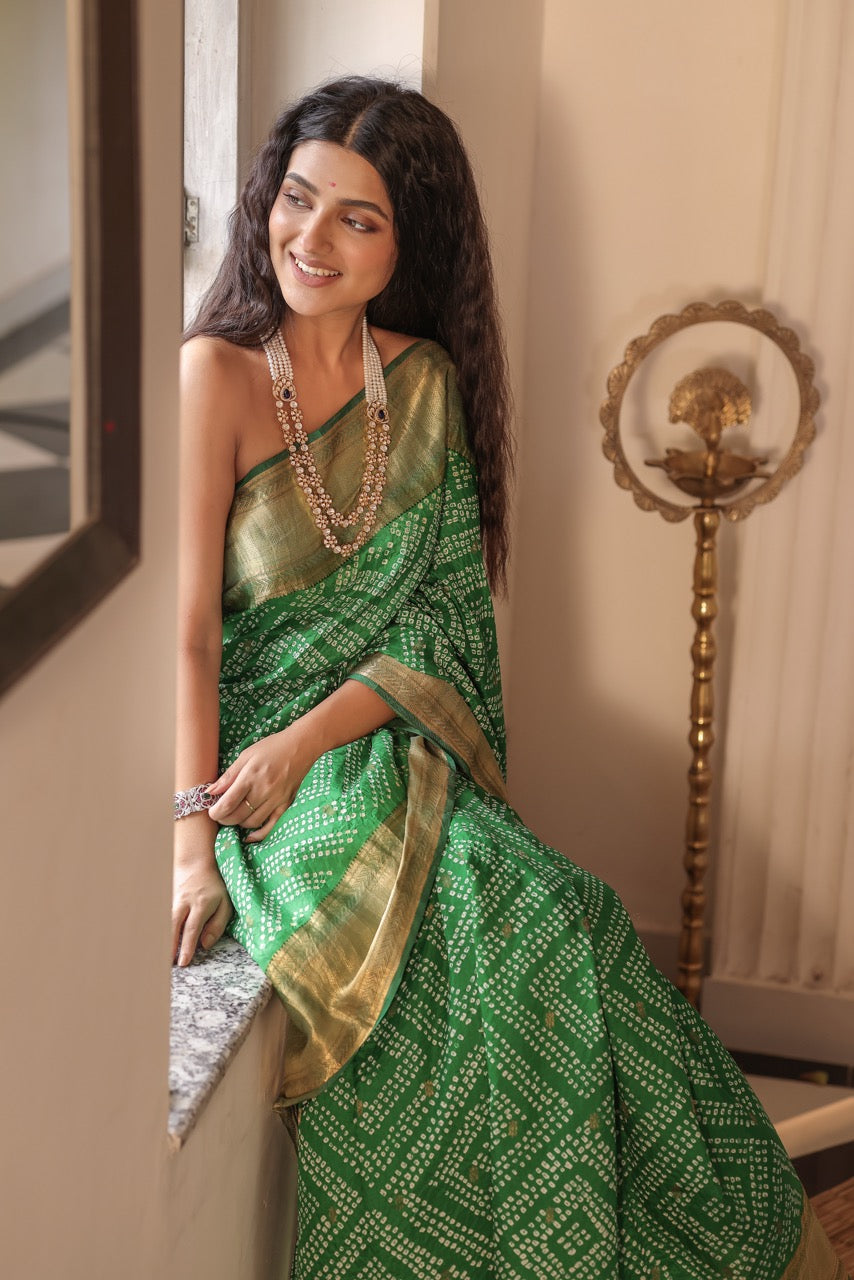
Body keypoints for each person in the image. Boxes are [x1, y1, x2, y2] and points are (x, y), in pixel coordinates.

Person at [172, 77, 844, 1280]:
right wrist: (190, 836)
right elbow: (184, 634)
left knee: (559, 907)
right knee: (468, 921)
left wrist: (313, 738)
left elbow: (438, 622)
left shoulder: (418, 381)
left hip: (363, 738)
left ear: (407, 242)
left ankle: (668, 1240)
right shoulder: (214, 375)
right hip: (253, 769)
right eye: (296, 200)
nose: (308, 241)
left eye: (355, 219)